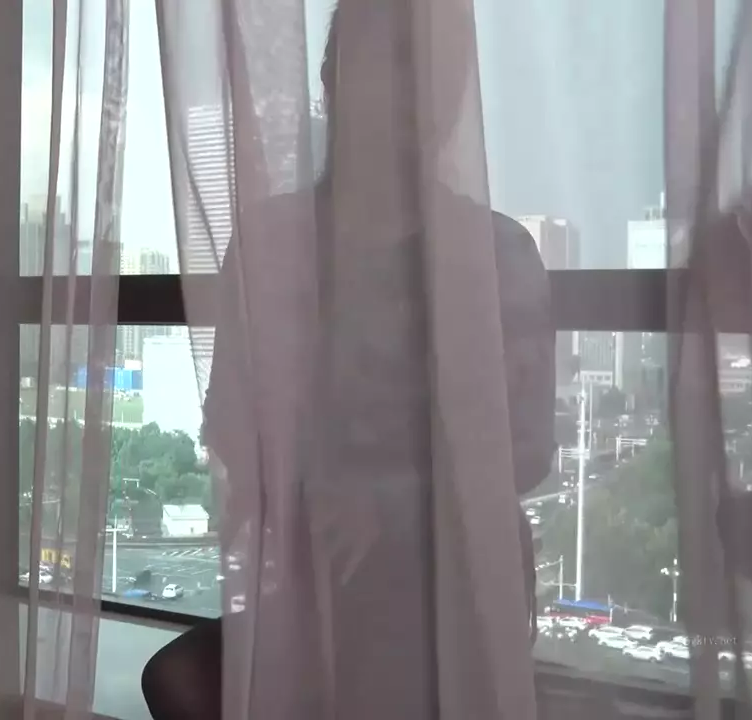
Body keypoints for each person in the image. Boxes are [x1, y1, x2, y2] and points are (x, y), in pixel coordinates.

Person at [142, 3, 554, 718]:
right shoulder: (270, 245)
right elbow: (231, 419)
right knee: (180, 678)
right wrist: (308, 499)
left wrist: (384, 504)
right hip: (318, 574)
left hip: (446, 582)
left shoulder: (497, 255)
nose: (404, 94)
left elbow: (527, 451)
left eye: (428, 73)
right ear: (332, 79)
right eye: (383, 65)